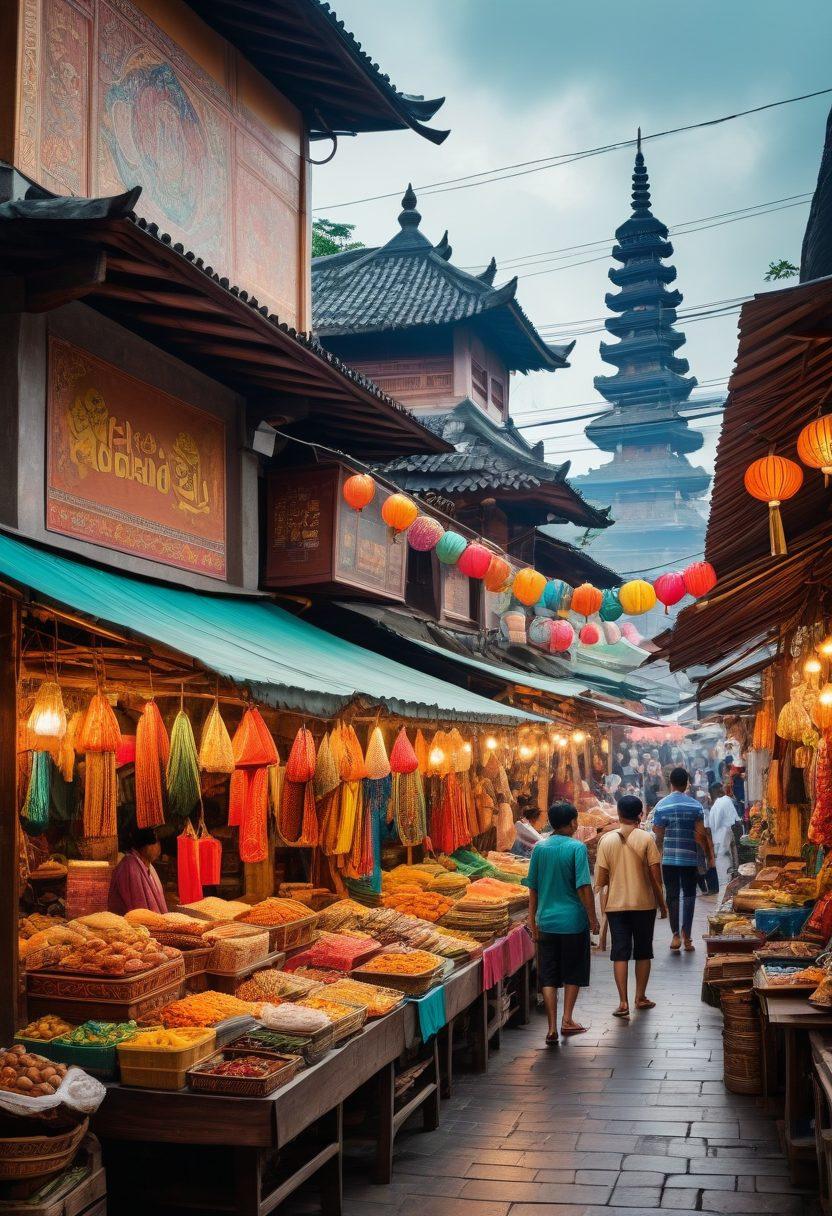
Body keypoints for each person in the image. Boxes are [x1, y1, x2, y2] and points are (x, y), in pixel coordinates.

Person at [523, 801, 599, 1046]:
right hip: (573, 922)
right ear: (573, 822)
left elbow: (532, 889)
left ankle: (551, 1027)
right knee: (573, 970)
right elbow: (584, 887)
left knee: (548, 974)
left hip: (546, 921)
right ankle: (567, 1019)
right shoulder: (577, 848)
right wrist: (593, 917)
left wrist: (532, 919)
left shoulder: (539, 848)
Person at [594, 794, 667, 1017]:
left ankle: (623, 1002)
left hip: (616, 906)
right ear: (640, 814)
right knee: (644, 951)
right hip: (643, 904)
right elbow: (656, 876)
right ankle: (640, 997)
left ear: (618, 813)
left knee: (620, 952)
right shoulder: (646, 839)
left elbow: (601, 880)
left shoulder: (605, 840)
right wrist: (662, 904)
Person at [653, 767, 714, 952]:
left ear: (670, 783)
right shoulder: (695, 806)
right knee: (689, 896)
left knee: (672, 896)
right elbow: (701, 834)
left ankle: (675, 936)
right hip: (689, 859)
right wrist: (709, 857)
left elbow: (659, 834)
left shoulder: (661, 806)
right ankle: (687, 936)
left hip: (669, 859)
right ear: (687, 783)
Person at [108, 826, 167, 916]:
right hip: (128, 924)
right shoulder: (129, 866)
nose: (158, 847)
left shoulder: (149, 867)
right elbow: (138, 908)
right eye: (155, 843)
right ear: (145, 847)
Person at [708, 783, 741, 881]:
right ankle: (734, 875)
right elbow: (736, 820)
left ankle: (730, 878)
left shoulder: (717, 805)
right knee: (731, 855)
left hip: (721, 837)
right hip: (727, 832)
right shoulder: (726, 800)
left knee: (725, 859)